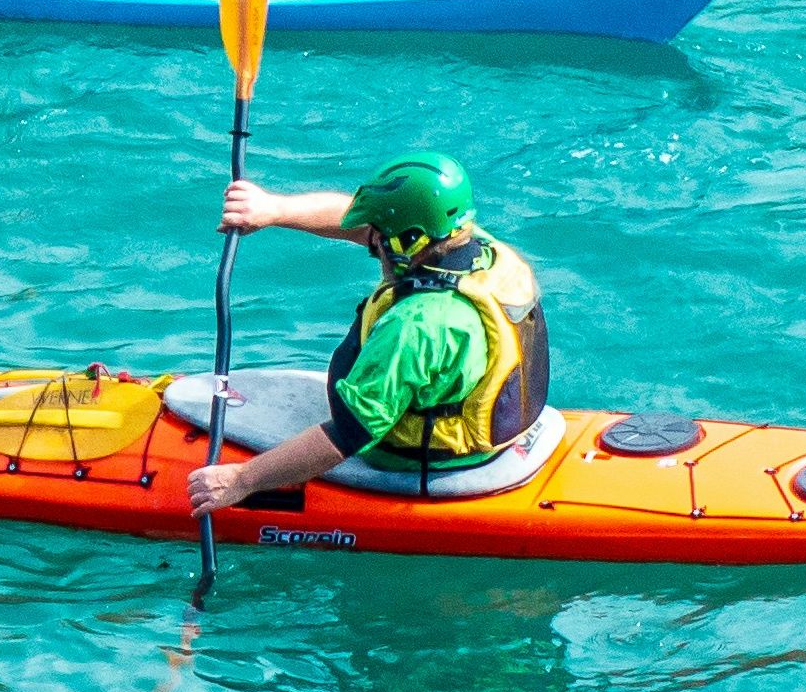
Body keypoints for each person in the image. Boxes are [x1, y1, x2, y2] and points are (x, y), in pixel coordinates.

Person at [182, 151, 550, 511]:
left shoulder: (417, 326)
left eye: (377, 238)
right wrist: (272, 210)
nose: (371, 243)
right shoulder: (482, 251)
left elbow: (349, 434)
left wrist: (241, 481)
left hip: (422, 459)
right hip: (493, 431)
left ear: (409, 242)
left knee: (343, 432)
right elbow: (361, 224)